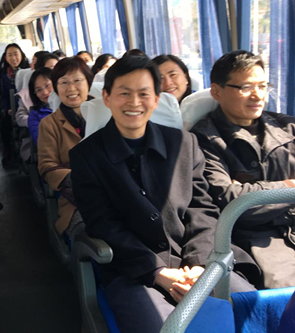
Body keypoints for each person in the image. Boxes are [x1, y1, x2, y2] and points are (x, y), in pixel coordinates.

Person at [70, 55, 256, 333]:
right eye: (124, 93)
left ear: (156, 99)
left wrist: (199, 264)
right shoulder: (86, 156)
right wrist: (158, 272)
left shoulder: (184, 143)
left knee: (251, 313)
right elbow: (103, 224)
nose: (135, 102)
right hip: (132, 269)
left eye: (144, 94)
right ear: (106, 98)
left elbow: (202, 209)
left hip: (196, 259)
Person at [191, 50, 295, 289]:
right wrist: (290, 186)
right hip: (259, 240)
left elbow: (243, 195)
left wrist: (253, 191)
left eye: (263, 86)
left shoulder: (288, 127)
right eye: (246, 87)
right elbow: (231, 201)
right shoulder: (204, 139)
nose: (258, 95)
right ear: (216, 91)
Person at [37, 57, 93, 237]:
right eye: (64, 82)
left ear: (89, 83)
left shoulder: (110, 114)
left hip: (119, 190)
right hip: (76, 199)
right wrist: (83, 180)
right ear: (56, 87)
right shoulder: (49, 124)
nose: (71, 88)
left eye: (77, 80)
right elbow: (47, 167)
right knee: (93, 231)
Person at [0, 43, 30, 165]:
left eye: (16, 54)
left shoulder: (30, 71)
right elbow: (4, 95)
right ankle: (8, 153)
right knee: (4, 124)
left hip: (28, 106)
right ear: (6, 58)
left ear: (21, 55)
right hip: (13, 107)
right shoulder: (4, 74)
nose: (13, 58)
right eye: (10, 55)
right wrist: (8, 109)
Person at [27, 68, 54, 146]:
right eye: (39, 90)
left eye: (47, 85)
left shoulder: (70, 105)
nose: (45, 92)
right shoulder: (34, 115)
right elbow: (42, 143)